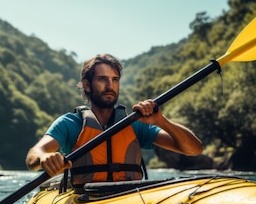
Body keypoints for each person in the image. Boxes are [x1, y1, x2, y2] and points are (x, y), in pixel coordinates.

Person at [26, 53, 202, 187]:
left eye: (115, 79)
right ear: (87, 85)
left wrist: (161, 121)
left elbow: (194, 149)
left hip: (129, 196)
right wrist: (44, 158)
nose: (110, 86)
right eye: (103, 79)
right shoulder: (70, 124)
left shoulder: (134, 124)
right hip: (85, 198)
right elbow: (33, 156)